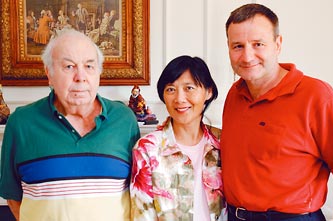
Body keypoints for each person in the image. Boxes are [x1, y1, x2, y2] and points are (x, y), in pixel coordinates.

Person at [221, 3, 333, 221]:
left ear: (278, 44)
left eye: (258, 44)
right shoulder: (234, 94)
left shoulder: (317, 96)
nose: (247, 56)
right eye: (238, 46)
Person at [0, 29, 140, 221]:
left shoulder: (124, 120)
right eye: (69, 66)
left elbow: (139, 192)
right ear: (49, 73)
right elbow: (13, 198)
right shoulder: (21, 123)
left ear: (99, 72)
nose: (80, 77)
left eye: (89, 66)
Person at [130, 55, 227, 221]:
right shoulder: (148, 148)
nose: (179, 99)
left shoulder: (223, 142)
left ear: (208, 92)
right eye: (170, 89)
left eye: (189, 88)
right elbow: (141, 213)